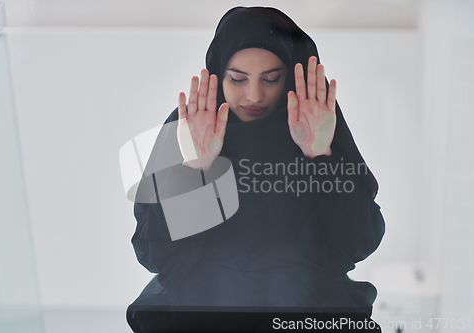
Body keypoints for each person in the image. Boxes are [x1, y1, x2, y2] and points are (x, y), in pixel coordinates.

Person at [127, 6, 385, 332]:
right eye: (237, 79)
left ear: (292, 75)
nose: (254, 95)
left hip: (307, 308)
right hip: (202, 309)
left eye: (271, 79)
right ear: (219, 75)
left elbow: (357, 243)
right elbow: (157, 254)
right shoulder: (191, 127)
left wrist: (320, 155)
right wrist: (197, 167)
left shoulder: (318, 121)